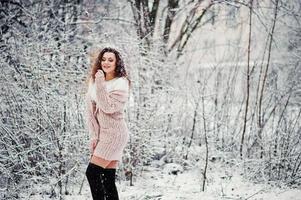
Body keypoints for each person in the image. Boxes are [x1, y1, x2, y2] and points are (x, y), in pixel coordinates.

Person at [84, 47, 131, 200]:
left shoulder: (121, 83)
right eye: (103, 59)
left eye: (111, 60)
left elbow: (108, 107)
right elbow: (90, 112)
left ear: (117, 63)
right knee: (107, 178)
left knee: (92, 173)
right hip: (103, 134)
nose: (106, 62)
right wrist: (94, 136)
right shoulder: (95, 81)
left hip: (115, 133)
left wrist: (100, 83)